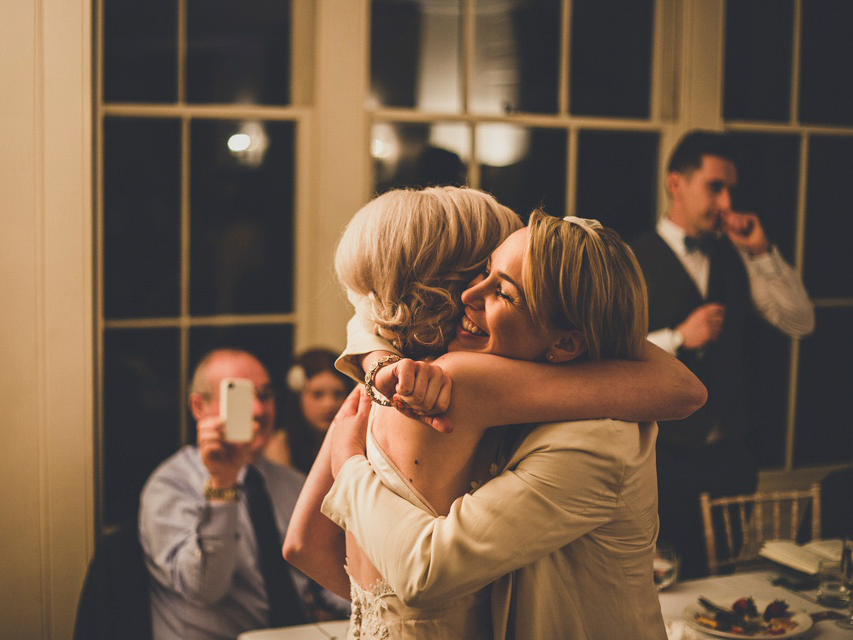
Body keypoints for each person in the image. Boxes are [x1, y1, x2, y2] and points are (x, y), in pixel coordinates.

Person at [284, 186, 706, 638]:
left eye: (501, 290)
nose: (472, 294)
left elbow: (303, 546)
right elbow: (683, 387)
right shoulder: (442, 380)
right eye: (481, 271)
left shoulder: (385, 395)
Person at [628, 130, 815, 577]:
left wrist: (761, 252)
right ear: (677, 184)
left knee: (722, 587)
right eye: (716, 187)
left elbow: (799, 321)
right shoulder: (631, 258)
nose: (728, 203)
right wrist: (677, 337)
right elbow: (608, 356)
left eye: (731, 189)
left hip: (730, 459)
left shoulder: (738, 257)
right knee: (661, 586)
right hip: (661, 458)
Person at [138, 349, 348, 640]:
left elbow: (323, 578)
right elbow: (203, 589)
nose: (259, 411)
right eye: (240, 396)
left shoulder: (291, 483)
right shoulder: (170, 485)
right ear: (199, 407)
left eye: (264, 395)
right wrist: (222, 488)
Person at [264, 348, 354, 473]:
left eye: (338, 394)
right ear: (298, 397)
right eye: (317, 394)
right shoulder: (280, 446)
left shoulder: (355, 442)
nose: (329, 404)